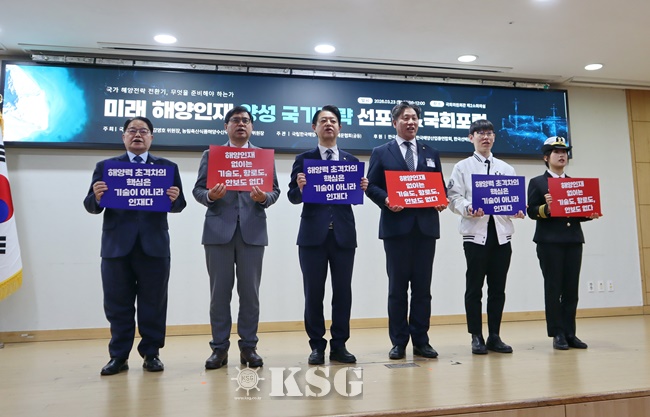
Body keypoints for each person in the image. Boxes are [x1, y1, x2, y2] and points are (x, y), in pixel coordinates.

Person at [83, 116, 186, 375]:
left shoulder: (167, 168)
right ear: (123, 137)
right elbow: (90, 206)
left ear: (151, 137)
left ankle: (151, 354)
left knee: (154, 304)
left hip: (154, 247)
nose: (137, 134)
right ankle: (118, 356)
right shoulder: (107, 167)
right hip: (116, 248)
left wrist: (174, 199)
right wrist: (97, 197)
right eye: (132, 130)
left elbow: (179, 205)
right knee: (117, 304)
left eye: (143, 131)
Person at [193, 105, 280, 369]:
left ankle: (249, 347)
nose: (241, 124)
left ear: (251, 126)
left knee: (250, 295)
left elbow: (275, 192)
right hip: (218, 232)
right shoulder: (211, 155)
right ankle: (219, 349)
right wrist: (210, 196)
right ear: (226, 126)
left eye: (245, 120)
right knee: (219, 295)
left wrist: (263, 198)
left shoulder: (262, 156)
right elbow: (198, 190)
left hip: (252, 232)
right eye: (235, 120)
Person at [365, 101, 447, 360]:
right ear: (395, 122)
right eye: (405, 118)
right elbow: (371, 186)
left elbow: (439, 186)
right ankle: (399, 342)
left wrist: (441, 200)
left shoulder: (431, 152)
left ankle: (421, 341)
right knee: (397, 288)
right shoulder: (381, 152)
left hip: (425, 229)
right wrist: (386, 200)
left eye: (414, 118)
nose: (411, 122)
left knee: (423, 289)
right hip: (396, 228)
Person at [287, 105, 368, 365]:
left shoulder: (351, 161)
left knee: (343, 292)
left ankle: (340, 344)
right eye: (323, 121)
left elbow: (352, 198)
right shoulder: (304, 159)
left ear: (340, 127)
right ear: (315, 128)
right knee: (313, 293)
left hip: (343, 235)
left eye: (333, 120)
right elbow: (292, 197)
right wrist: (300, 188)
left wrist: (361, 188)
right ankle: (316, 345)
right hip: (312, 236)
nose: (328, 124)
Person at [447, 119, 525, 355]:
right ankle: (476, 336)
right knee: (474, 288)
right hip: (475, 236)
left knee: (498, 289)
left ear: (494, 137)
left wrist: (517, 210)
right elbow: (453, 198)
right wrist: (469, 207)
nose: (485, 137)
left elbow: (511, 201)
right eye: (480, 133)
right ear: (471, 138)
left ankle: (494, 336)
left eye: (489, 133)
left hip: (502, 236)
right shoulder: (462, 167)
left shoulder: (506, 168)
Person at [527, 136, 601, 350]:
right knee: (553, 288)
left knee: (571, 289)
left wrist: (589, 213)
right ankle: (557, 333)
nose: (562, 155)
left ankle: (570, 332)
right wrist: (547, 209)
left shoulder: (575, 184)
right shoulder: (538, 183)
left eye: (564, 152)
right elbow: (532, 211)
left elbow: (576, 212)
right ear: (546, 157)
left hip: (573, 240)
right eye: (556, 152)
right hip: (549, 242)